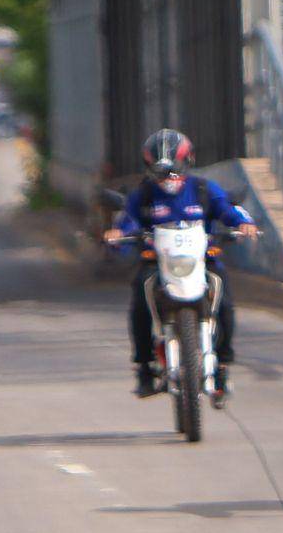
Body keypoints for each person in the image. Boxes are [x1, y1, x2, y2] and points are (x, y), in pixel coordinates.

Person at [103, 129, 258, 402]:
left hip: (202, 260)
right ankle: (144, 367)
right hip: (158, 263)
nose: (169, 179)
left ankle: (221, 366)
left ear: (188, 163)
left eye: (174, 171)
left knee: (224, 304)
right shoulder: (145, 195)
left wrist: (242, 224)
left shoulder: (202, 189)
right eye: (161, 172)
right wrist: (118, 236)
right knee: (140, 297)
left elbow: (226, 209)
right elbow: (128, 221)